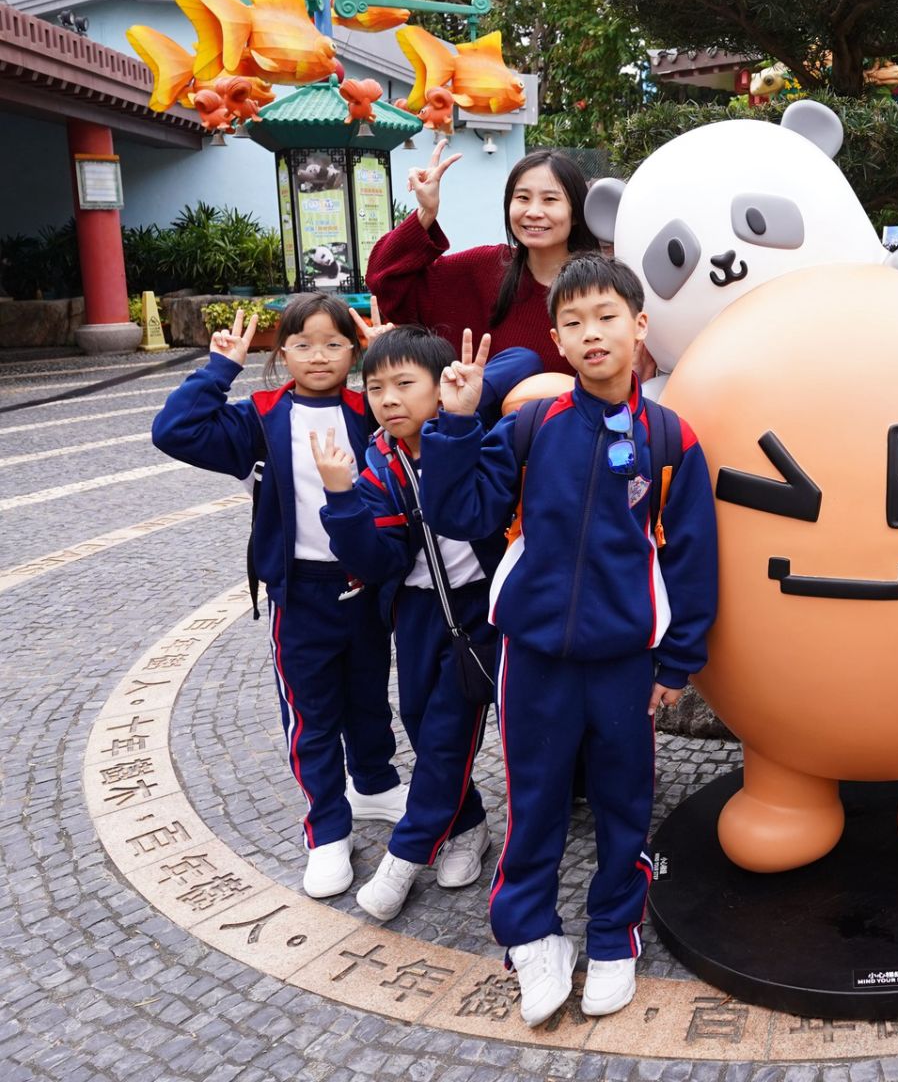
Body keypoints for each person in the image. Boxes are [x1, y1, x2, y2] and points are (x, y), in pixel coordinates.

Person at [419, 253, 718, 1026]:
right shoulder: (529, 425)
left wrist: (677, 662)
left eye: (607, 317)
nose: (592, 334)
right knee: (537, 800)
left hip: (626, 663)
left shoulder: (670, 438)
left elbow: (691, 559)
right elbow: (460, 513)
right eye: (574, 322)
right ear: (555, 337)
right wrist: (454, 424)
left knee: (625, 801)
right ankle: (531, 933)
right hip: (535, 660)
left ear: (639, 325)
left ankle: (614, 932)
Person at [151, 295, 406, 900]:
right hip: (301, 593)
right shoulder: (261, 415)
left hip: (365, 584)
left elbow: (432, 412)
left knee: (369, 695)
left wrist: (390, 352)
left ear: (354, 350)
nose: (319, 355)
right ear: (281, 352)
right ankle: (326, 829)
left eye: (334, 343)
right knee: (313, 716)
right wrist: (220, 368)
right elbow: (174, 431)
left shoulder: (367, 409)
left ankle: (372, 782)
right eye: (303, 343)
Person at [312, 327, 540, 923]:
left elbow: (527, 357)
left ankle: (406, 854)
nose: (388, 398)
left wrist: (472, 391)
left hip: (478, 610)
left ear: (443, 388)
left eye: (405, 384)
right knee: (418, 718)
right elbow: (379, 560)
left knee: (446, 732)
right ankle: (467, 826)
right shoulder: (377, 465)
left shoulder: (472, 431)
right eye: (376, 386)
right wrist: (341, 500)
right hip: (416, 614)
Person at [367, 143, 609, 377]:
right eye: (523, 198)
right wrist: (426, 212)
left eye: (550, 200)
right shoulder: (485, 267)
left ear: (575, 212)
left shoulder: (603, 288)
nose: (534, 212)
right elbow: (384, 280)